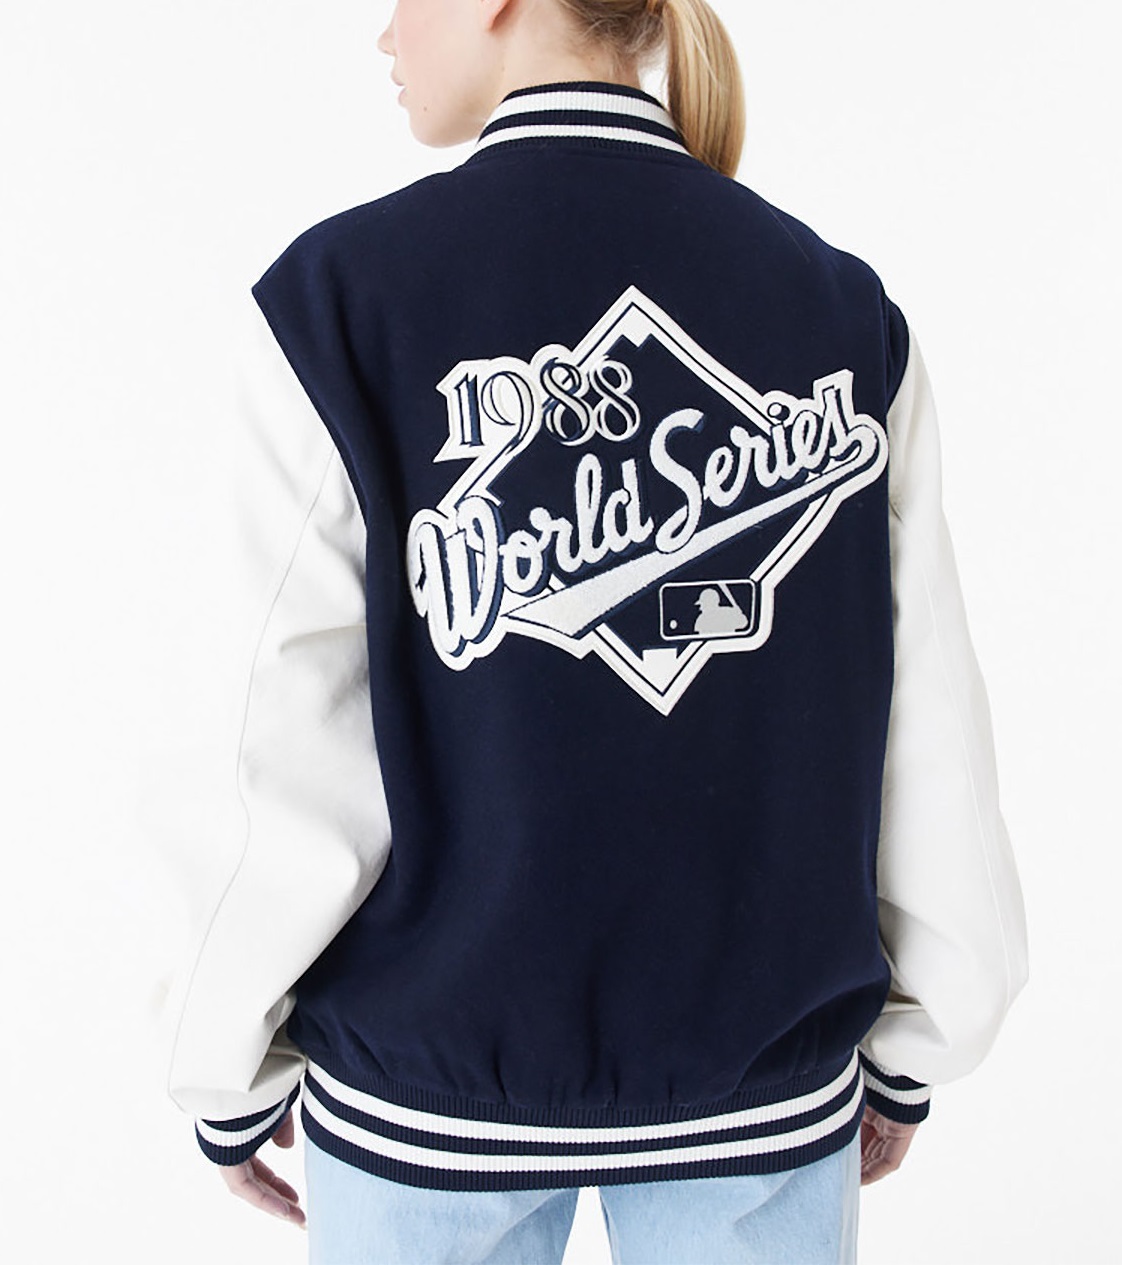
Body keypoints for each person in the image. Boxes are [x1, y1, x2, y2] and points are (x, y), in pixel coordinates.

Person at [159, 0, 1029, 1261]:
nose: (384, 31)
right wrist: (918, 1041)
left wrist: (220, 1062)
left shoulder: (338, 302)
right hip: (760, 1090)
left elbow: (271, 738)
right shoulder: (839, 311)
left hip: (427, 1096)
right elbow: (927, 717)